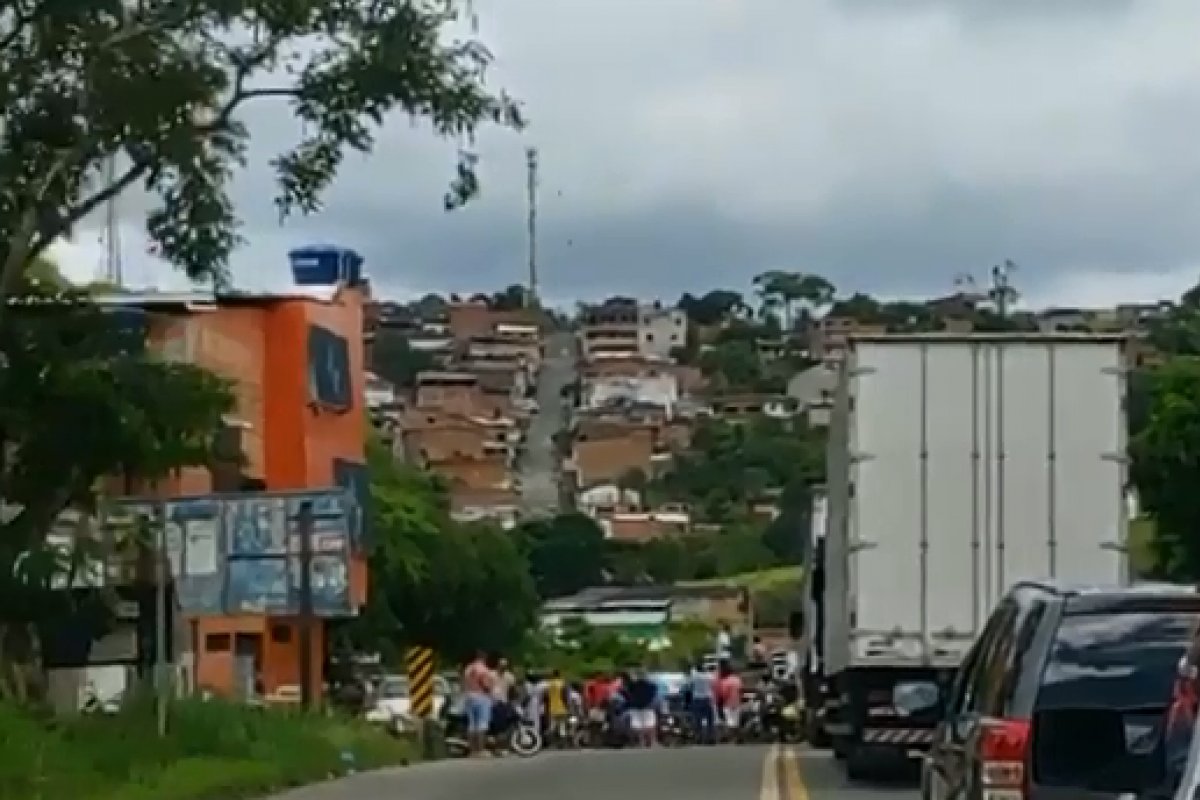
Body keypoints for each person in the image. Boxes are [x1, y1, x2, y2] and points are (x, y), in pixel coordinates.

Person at [463, 651, 495, 757]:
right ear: (483, 657)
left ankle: (473, 751)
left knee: (472, 725)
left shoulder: (468, 669)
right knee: (482, 725)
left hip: (469, 696)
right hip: (480, 696)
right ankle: (481, 750)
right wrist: (490, 690)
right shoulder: (483, 669)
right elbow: (485, 684)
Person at [624, 668, 659, 748]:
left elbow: (628, 692)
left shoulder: (633, 686)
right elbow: (654, 692)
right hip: (648, 706)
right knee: (650, 725)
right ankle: (652, 741)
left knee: (638, 726)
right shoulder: (651, 686)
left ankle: (641, 741)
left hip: (637, 707)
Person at [688, 659, 718, 745]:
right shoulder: (708, 676)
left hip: (697, 699)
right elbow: (714, 681)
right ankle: (710, 737)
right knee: (710, 720)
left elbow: (690, 682)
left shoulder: (695, 676)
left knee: (698, 720)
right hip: (708, 698)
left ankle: (699, 737)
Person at [716, 660, 744, 738]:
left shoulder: (725, 681)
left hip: (728, 704)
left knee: (730, 722)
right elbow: (741, 690)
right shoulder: (737, 679)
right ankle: (738, 736)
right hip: (737, 703)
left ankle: (735, 736)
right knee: (736, 722)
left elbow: (723, 694)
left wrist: (720, 703)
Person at [543, 669, 570, 744]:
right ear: (559, 675)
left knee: (552, 726)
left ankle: (549, 740)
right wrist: (567, 706)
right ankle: (562, 742)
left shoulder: (548, 684)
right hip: (561, 707)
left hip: (552, 707)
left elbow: (546, 697)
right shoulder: (562, 683)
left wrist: (547, 708)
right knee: (562, 726)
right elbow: (564, 696)